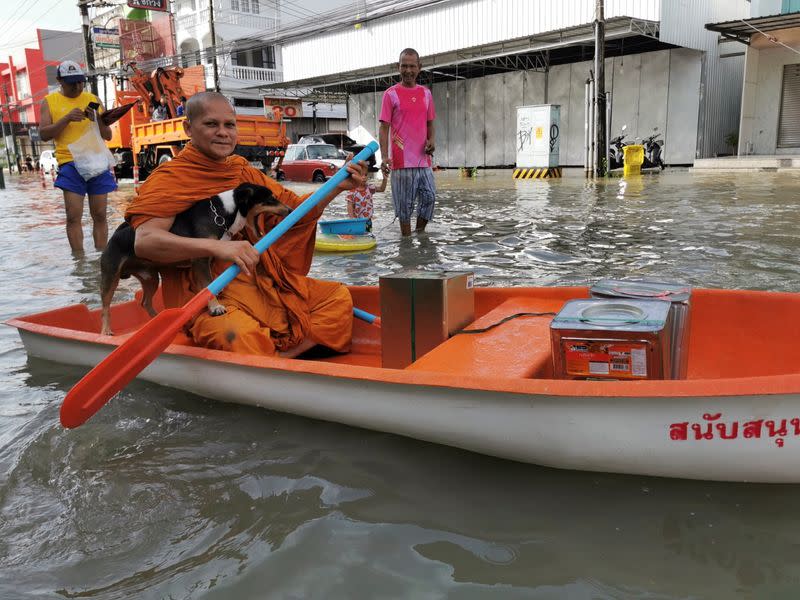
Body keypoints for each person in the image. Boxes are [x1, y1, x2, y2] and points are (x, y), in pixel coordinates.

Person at [126, 92, 369, 358]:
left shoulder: (243, 172)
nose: (223, 133)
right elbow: (146, 241)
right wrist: (218, 248)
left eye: (229, 125)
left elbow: (293, 213)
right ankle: (270, 357)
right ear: (188, 128)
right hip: (207, 295)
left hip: (259, 283)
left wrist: (336, 187)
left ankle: (279, 360)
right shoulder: (170, 179)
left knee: (337, 298)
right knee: (240, 335)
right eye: (211, 124)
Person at [39, 60, 115, 253]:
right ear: (59, 81)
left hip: (96, 161)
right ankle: (79, 262)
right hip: (70, 162)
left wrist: (97, 118)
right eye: (72, 82)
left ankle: (101, 257)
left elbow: (108, 135)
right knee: (73, 216)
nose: (78, 87)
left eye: (80, 82)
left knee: (100, 215)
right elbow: (44, 134)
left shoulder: (93, 99)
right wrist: (66, 119)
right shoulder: (49, 102)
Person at [379, 48, 436, 236]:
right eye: (404, 66)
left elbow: (430, 123)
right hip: (400, 162)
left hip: (423, 160)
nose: (408, 70)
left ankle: (419, 233)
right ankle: (406, 242)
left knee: (429, 197)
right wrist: (384, 157)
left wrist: (432, 140)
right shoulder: (391, 94)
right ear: (398, 67)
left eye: (412, 66)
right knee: (404, 207)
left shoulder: (426, 94)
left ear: (419, 68)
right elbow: (384, 127)